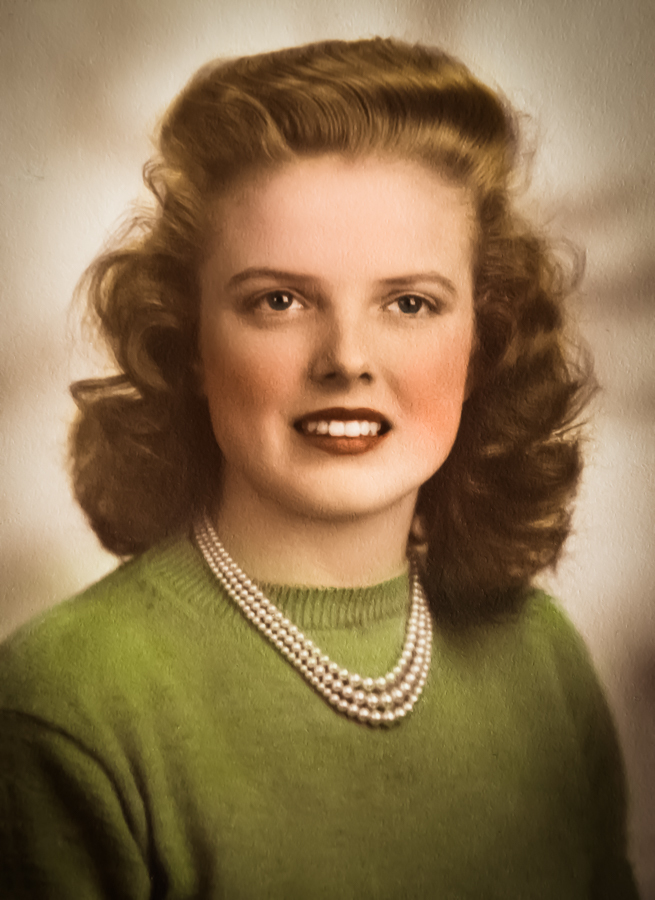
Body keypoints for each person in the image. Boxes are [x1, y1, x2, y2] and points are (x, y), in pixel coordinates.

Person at [0, 37, 640, 899]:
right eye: (280, 300)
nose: (346, 358)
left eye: (408, 302)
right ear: (188, 340)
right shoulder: (65, 702)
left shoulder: (543, 659)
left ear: (481, 341)